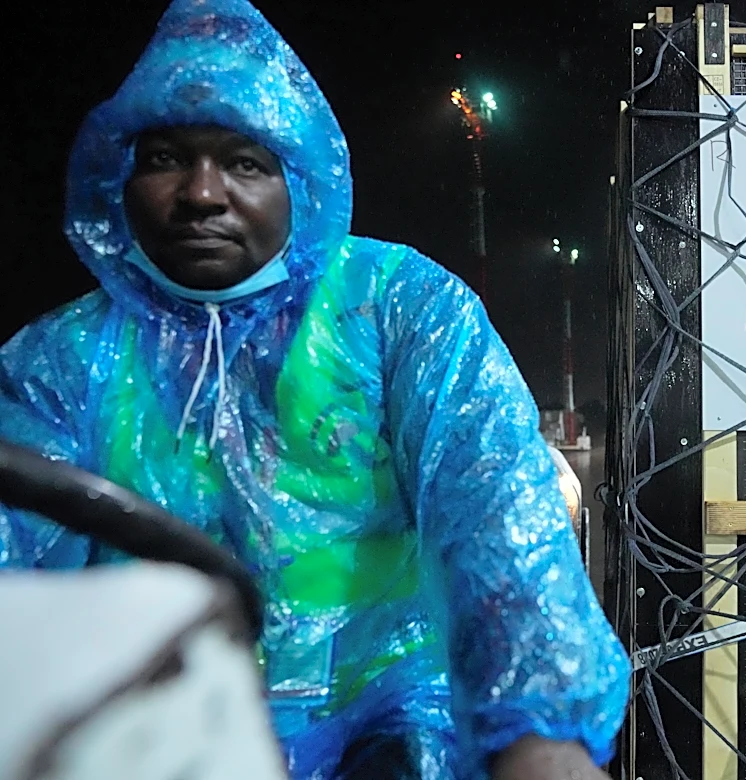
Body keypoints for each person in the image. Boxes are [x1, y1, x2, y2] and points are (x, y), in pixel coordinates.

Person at [0, 0, 630, 777]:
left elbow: (493, 506)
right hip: (155, 728)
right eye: (165, 158)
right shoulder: (60, 361)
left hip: (391, 723)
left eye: (245, 163)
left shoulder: (398, 306)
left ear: (302, 180)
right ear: (118, 177)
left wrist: (540, 731)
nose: (201, 194)